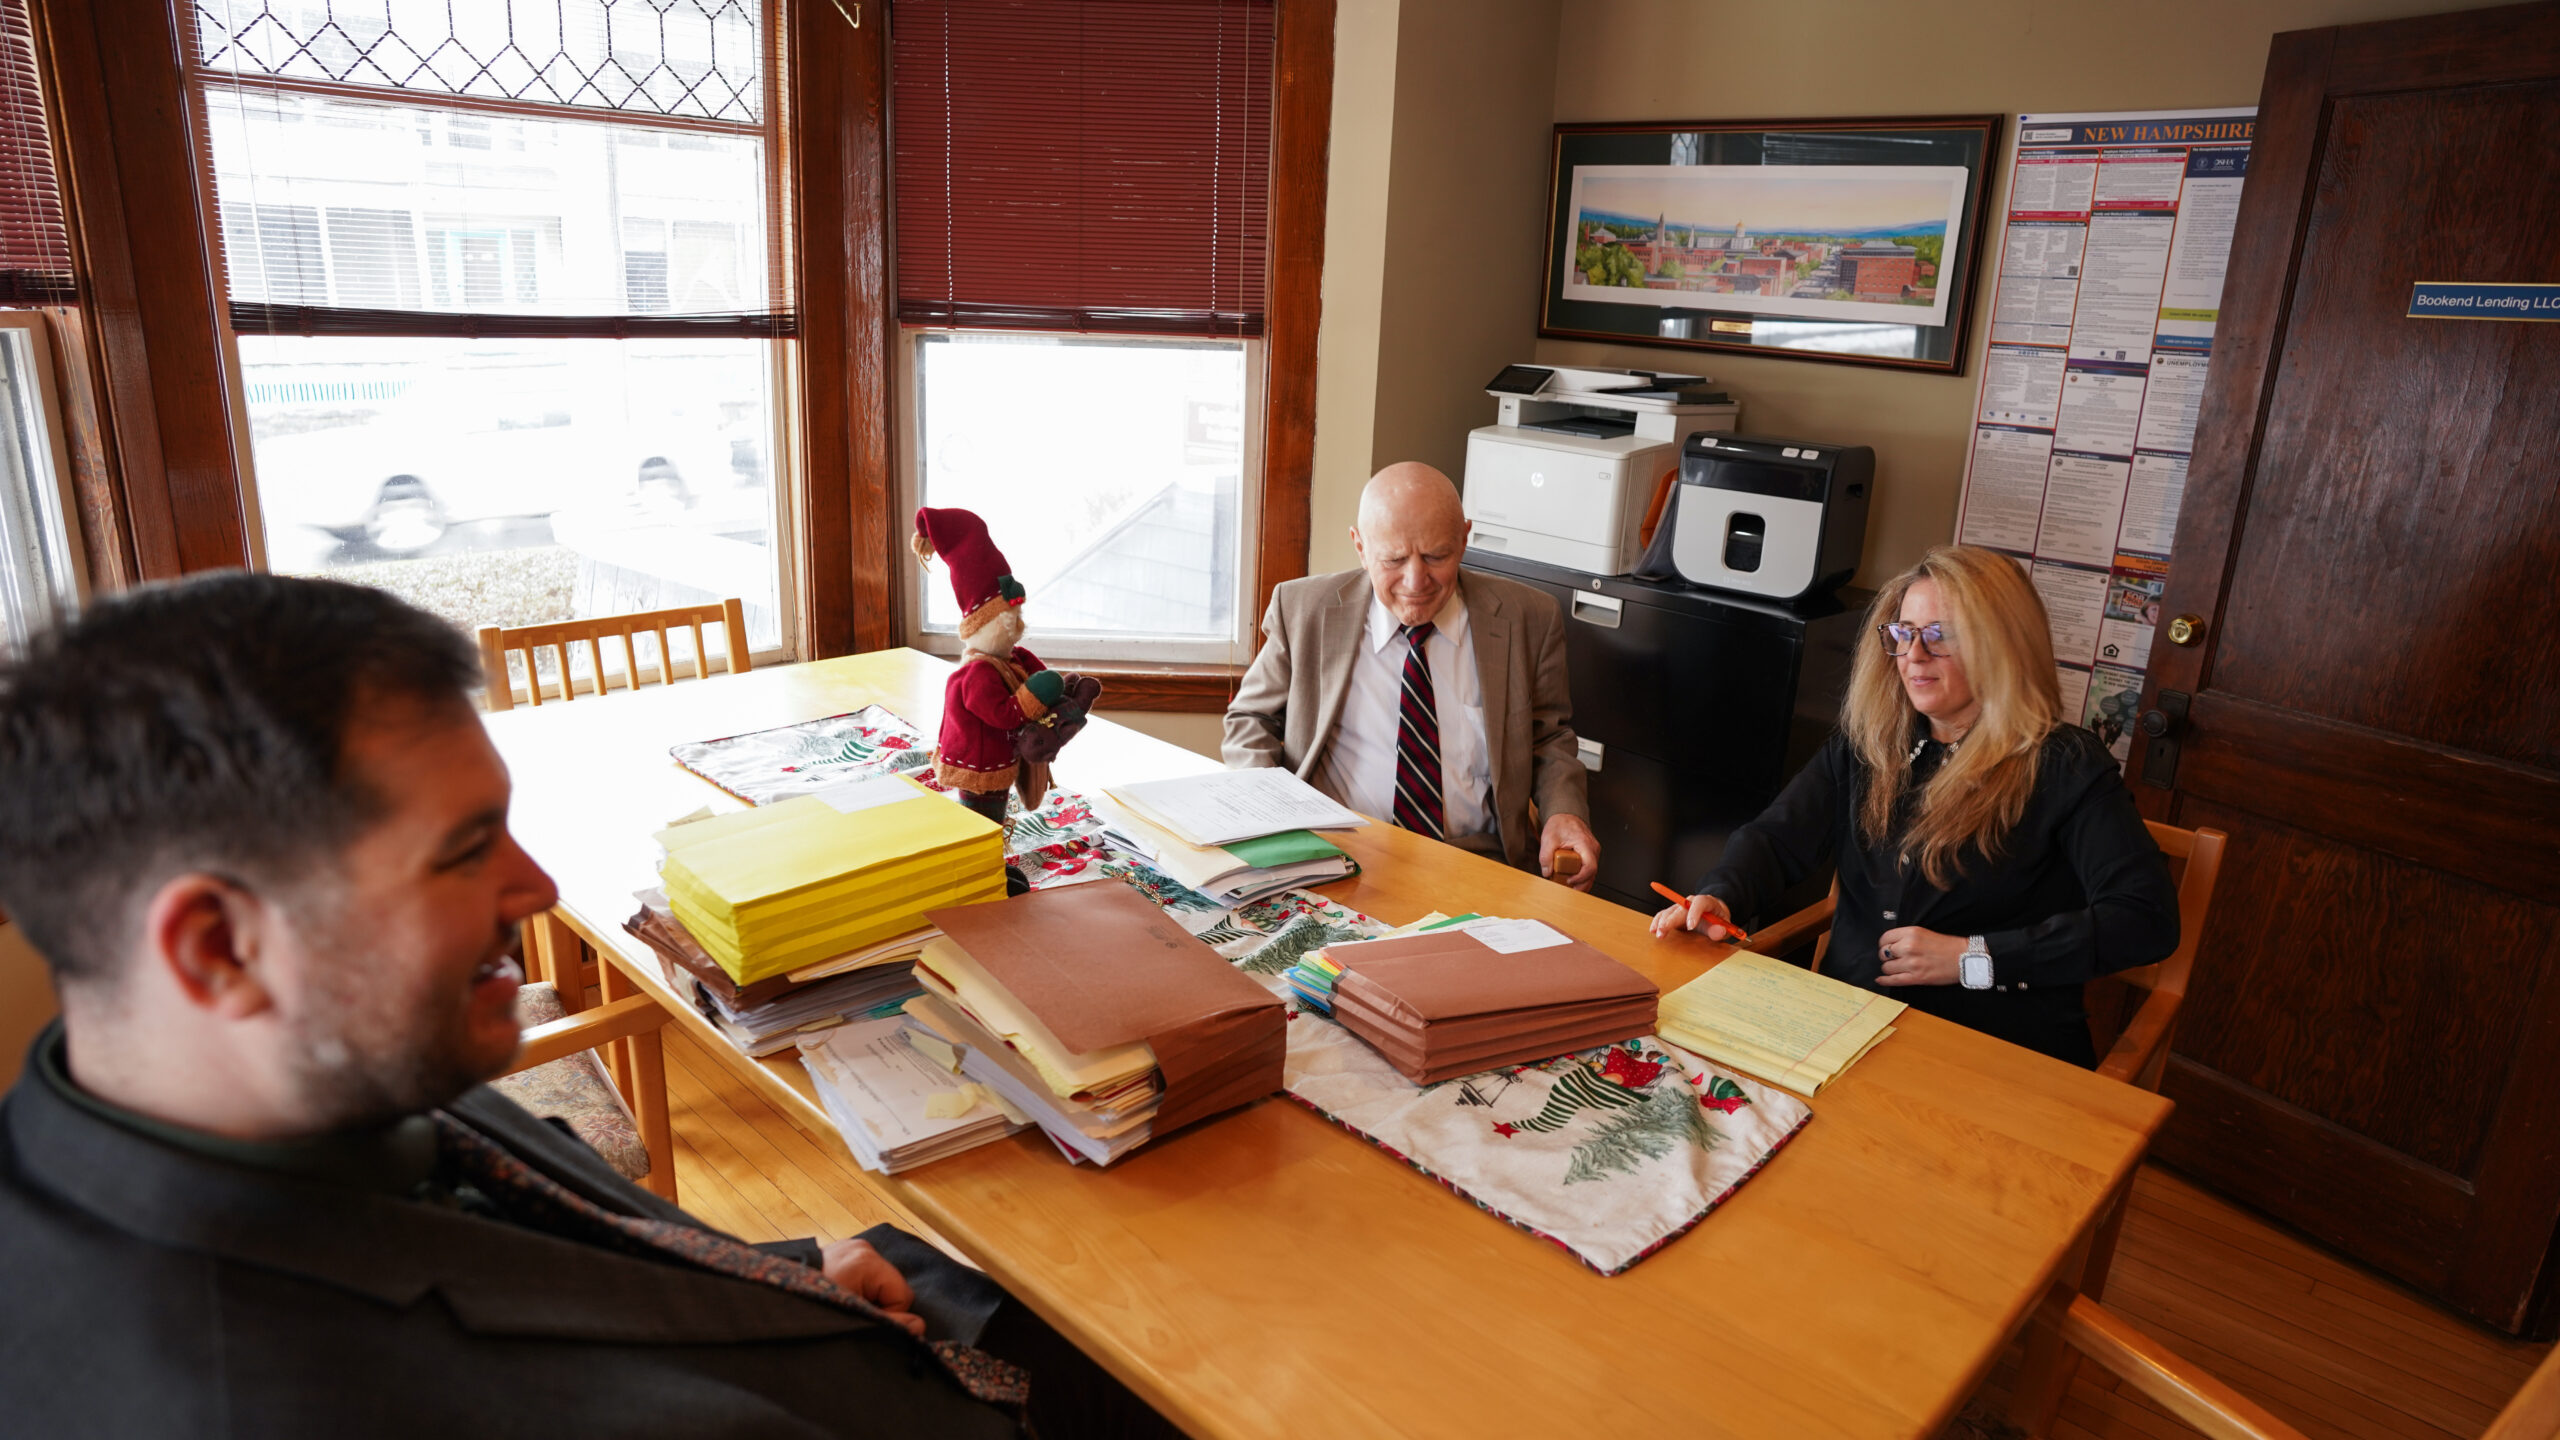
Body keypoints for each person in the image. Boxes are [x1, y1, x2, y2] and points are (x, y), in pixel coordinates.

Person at [0, 572, 1168, 1439]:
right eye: (464, 850)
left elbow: (522, 1259)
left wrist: (779, 1265)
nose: (538, 889)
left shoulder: (267, 1083)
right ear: (217, 947)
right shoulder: (247, 1393)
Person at [1651, 545, 2178, 1066]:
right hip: (1841, 1025)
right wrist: (1722, 896)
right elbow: (1775, 841)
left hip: (1991, 1049)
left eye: (1940, 635)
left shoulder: (2064, 764)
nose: (1913, 655)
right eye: (1903, 633)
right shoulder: (1869, 743)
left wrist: (1973, 958)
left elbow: (2144, 919)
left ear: (2003, 645)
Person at [1223, 461, 1600, 889]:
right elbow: (1250, 721)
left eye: (1436, 556)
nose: (1415, 580)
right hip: (1339, 854)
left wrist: (1564, 813)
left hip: (1477, 861)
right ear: (1360, 547)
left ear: (1464, 537)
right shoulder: (1304, 609)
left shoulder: (1528, 617)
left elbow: (1548, 737)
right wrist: (1268, 813)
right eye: (1394, 559)